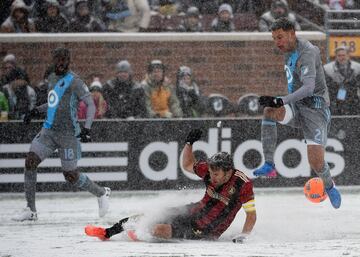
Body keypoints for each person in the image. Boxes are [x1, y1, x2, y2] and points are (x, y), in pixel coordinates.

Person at [85, 129, 256, 242]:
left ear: (228, 172)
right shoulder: (210, 171)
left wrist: (244, 235)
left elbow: (251, 215)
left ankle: (138, 235)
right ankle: (107, 232)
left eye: (216, 175)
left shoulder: (243, 184)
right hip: (194, 211)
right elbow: (188, 164)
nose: (212, 177)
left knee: (159, 229)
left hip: (207, 230)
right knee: (150, 215)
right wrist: (189, 143)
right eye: (210, 173)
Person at [12, 47, 111, 221]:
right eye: (58, 59)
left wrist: (87, 128)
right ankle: (31, 209)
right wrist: (35, 111)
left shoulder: (75, 81)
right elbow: (53, 103)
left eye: (64, 59)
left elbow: (91, 105)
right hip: (48, 132)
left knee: (71, 176)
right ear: (54, 60)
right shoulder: (52, 78)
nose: (61, 62)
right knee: (30, 162)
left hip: (68, 135)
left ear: (68, 61)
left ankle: (101, 192)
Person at [253, 17, 341, 209]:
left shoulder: (307, 52)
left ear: (292, 33)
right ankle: (269, 164)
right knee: (269, 111)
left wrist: (281, 100)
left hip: (316, 109)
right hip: (297, 106)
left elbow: (309, 88)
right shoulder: (288, 51)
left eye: (280, 37)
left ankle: (330, 185)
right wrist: (278, 102)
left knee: (316, 163)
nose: (278, 42)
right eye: (275, 38)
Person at [323, 45, 360, 115]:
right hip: (335, 102)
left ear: (348, 56)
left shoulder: (357, 68)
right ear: (336, 57)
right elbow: (326, 87)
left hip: (353, 102)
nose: (341, 57)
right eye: (339, 55)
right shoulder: (328, 69)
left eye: (343, 55)